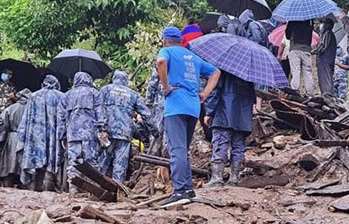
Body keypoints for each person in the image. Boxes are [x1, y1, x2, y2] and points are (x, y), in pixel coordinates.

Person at [156, 26, 221, 207]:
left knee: (176, 149)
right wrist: (205, 93)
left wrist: (166, 86)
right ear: (181, 40)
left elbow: (161, 62)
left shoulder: (166, 51)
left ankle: (179, 191)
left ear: (165, 39)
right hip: (193, 107)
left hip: (175, 105)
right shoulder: (192, 56)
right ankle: (188, 188)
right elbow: (216, 72)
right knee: (182, 149)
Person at [203, 71, 256, 187]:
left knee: (220, 143)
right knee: (238, 146)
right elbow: (253, 98)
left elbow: (215, 91)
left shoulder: (222, 71)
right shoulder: (249, 75)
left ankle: (217, 178)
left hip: (223, 112)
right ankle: (234, 178)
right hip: (242, 116)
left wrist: (209, 112)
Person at [57, 72, 107, 193]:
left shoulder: (67, 95)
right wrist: (102, 130)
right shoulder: (95, 93)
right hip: (90, 134)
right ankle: (92, 189)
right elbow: (101, 113)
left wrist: (62, 135)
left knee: (73, 161)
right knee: (91, 161)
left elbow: (61, 118)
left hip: (72, 134)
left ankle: (73, 188)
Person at [100, 70, 151, 183]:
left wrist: (100, 129)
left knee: (103, 160)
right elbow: (146, 114)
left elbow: (97, 109)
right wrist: (154, 131)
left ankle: (96, 186)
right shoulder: (133, 95)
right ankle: (117, 189)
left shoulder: (105, 90)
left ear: (114, 78)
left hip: (107, 133)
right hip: (125, 133)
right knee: (120, 164)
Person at [18, 75, 66, 191]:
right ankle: (48, 185)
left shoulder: (33, 96)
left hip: (35, 134)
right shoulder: (61, 97)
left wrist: (23, 134)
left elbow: (26, 118)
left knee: (34, 157)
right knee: (52, 157)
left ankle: (32, 186)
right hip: (53, 135)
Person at [0, 88, 30, 187]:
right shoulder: (33, 110)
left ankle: (8, 185)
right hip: (26, 139)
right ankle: (24, 186)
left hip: (12, 138)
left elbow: (1, 125)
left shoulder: (10, 108)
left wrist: (0, 141)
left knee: (9, 164)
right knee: (23, 165)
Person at [285, 20, 314, 95]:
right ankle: (310, 93)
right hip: (306, 49)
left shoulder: (293, 20)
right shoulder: (310, 20)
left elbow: (287, 35)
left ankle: (295, 90)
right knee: (307, 71)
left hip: (295, 48)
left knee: (295, 71)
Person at [312, 18, 338, 97]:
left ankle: (327, 96)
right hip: (329, 60)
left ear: (327, 25)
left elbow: (323, 46)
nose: (322, 25)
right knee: (328, 79)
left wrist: (313, 51)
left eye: (323, 23)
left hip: (325, 60)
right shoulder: (331, 34)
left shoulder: (327, 33)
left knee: (325, 79)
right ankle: (329, 95)